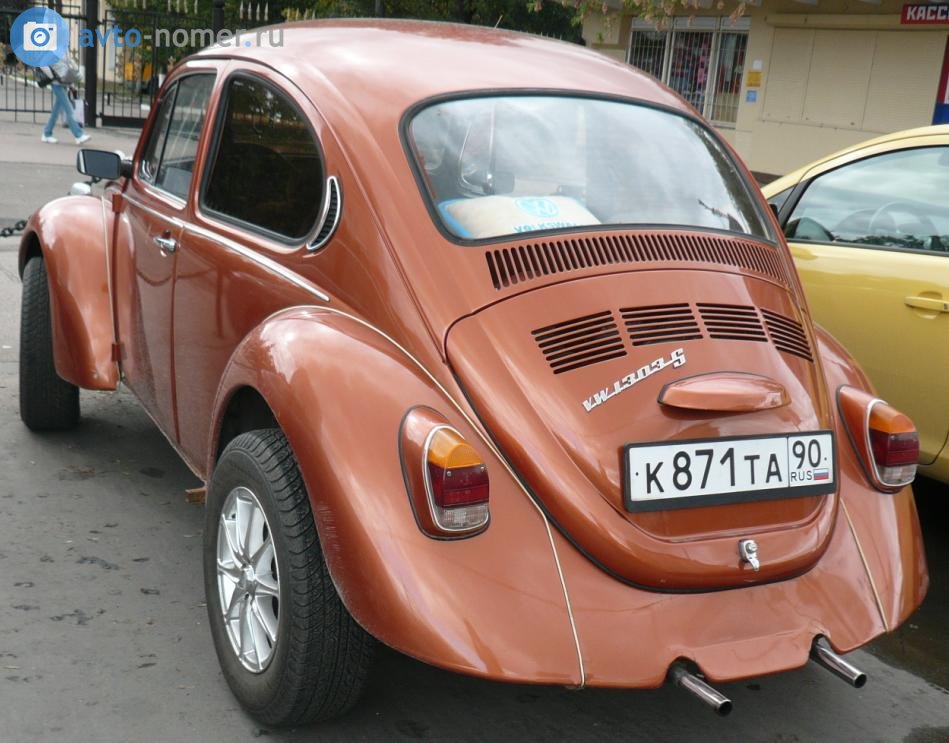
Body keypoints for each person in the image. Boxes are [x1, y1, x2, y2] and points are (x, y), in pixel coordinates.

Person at [36, 60, 90, 145]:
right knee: (69, 109)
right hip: (56, 84)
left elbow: (66, 66)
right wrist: (53, 77)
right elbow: (42, 64)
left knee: (56, 111)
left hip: (64, 83)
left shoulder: (62, 49)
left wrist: (71, 83)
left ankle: (47, 133)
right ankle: (78, 135)